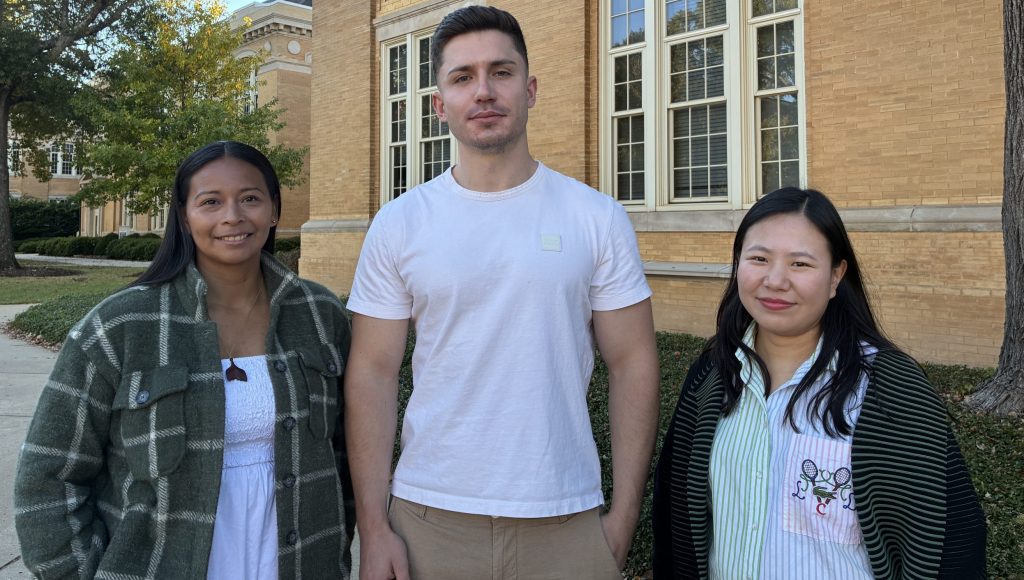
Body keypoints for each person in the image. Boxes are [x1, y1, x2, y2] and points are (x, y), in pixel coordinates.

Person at [344, 6, 660, 580]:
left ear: (531, 88)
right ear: (439, 104)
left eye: (502, 72)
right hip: (428, 517)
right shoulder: (399, 224)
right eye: (463, 77)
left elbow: (633, 361)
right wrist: (373, 526)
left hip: (564, 520)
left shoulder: (597, 218)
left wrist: (624, 515)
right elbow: (372, 371)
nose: (484, 91)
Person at [14, 141, 354, 579]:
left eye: (250, 198)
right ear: (184, 216)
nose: (232, 216)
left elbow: (347, 458)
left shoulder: (322, 316)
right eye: (210, 201)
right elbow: (47, 474)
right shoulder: (120, 325)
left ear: (274, 210)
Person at [651, 187, 987, 579]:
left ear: (836, 276)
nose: (775, 281)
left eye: (800, 264)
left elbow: (950, 541)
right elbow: (675, 519)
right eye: (758, 258)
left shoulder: (890, 388)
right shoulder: (711, 377)